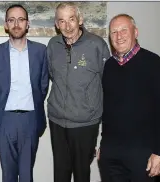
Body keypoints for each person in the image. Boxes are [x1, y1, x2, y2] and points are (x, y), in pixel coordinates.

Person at [98, 13, 160, 182]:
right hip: (111, 153)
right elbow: (108, 111)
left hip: (142, 153)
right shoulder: (109, 66)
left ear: (136, 32)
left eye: (124, 30)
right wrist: (104, 145)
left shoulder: (153, 63)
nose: (119, 36)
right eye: (114, 32)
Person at [46, 2, 111, 182]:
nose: (67, 26)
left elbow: (108, 82)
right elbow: (53, 75)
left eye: (71, 19)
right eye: (62, 21)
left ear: (80, 20)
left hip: (85, 122)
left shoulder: (97, 45)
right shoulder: (52, 45)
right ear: (57, 25)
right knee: (60, 173)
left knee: (82, 173)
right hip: (57, 120)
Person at [0, 4, 49, 182]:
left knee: (27, 175)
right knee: (8, 176)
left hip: (30, 120)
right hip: (4, 120)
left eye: (21, 19)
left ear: (27, 24)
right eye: (11, 20)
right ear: (6, 25)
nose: (16, 24)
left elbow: (43, 85)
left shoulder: (40, 51)